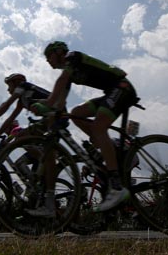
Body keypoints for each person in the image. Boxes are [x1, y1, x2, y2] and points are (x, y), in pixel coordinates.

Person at [32, 41, 138, 213]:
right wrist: (46, 110)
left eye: (48, 56)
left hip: (122, 88)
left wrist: (48, 102)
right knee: (76, 113)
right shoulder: (69, 74)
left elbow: (60, 83)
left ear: (59, 52)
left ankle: (117, 186)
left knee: (98, 127)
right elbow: (60, 105)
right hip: (110, 92)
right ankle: (106, 148)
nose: (47, 61)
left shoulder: (73, 57)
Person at [0, 73, 50, 137]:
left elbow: (6, 105)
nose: (8, 89)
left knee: (22, 137)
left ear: (16, 83)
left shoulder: (23, 85)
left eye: (9, 85)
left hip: (56, 114)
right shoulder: (21, 102)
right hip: (50, 117)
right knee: (23, 137)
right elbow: (11, 118)